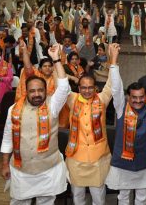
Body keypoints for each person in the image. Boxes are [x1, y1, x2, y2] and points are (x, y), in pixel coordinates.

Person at [0, 43, 70, 204]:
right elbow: (7, 138)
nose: (37, 94)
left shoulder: (53, 105)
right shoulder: (14, 110)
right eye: (32, 91)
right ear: (26, 92)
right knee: (19, 202)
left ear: (46, 91)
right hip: (21, 170)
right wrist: (4, 164)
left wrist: (57, 60)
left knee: (46, 202)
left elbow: (64, 87)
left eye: (40, 90)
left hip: (48, 170)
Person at [105, 46, 146, 205]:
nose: (138, 101)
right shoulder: (120, 108)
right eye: (134, 97)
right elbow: (116, 87)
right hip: (123, 162)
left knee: (141, 197)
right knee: (123, 197)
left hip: (145, 161)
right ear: (128, 97)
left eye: (141, 97)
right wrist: (114, 61)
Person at [63, 43, 120, 205]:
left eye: (90, 88)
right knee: (78, 197)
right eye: (83, 88)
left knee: (99, 199)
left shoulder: (102, 99)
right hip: (76, 158)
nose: (87, 91)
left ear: (95, 88)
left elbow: (111, 84)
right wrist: (56, 61)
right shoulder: (72, 99)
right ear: (78, 88)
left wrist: (113, 59)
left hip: (98, 159)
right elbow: (61, 83)